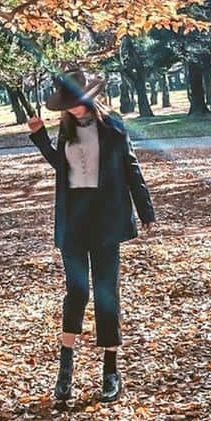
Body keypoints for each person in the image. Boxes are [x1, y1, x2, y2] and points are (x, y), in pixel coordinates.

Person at [28, 66, 156, 404]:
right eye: (66, 103)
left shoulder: (113, 127)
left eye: (74, 101)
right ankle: (64, 373)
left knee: (105, 294)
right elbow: (64, 167)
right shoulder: (66, 130)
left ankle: (111, 372)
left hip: (106, 222)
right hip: (73, 223)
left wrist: (145, 209)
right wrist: (40, 136)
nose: (70, 108)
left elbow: (131, 168)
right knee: (77, 291)